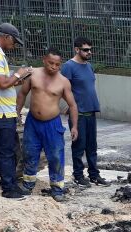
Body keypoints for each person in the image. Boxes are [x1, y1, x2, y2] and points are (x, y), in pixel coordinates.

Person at [16, 48, 78, 202]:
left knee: (56, 156)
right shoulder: (33, 74)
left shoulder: (63, 81)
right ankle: (28, 185)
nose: (53, 67)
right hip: (33, 122)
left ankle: (57, 189)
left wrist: (74, 126)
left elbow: (72, 105)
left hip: (52, 124)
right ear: (44, 59)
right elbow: (22, 94)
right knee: (30, 153)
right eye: (51, 63)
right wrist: (16, 113)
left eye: (57, 64)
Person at [0, 23, 31, 200]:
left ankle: (12, 186)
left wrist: (19, 79)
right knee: (7, 152)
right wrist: (19, 74)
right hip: (2, 112)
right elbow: (2, 83)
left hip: (3, 110)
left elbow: (2, 84)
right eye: (14, 41)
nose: (14, 45)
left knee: (10, 151)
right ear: (6, 37)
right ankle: (8, 189)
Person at [61, 37, 109, 188]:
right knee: (78, 146)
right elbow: (63, 88)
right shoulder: (69, 66)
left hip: (91, 112)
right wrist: (71, 105)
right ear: (77, 49)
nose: (89, 52)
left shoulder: (89, 66)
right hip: (78, 114)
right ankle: (78, 175)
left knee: (92, 146)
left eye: (90, 49)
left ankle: (94, 175)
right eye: (85, 50)